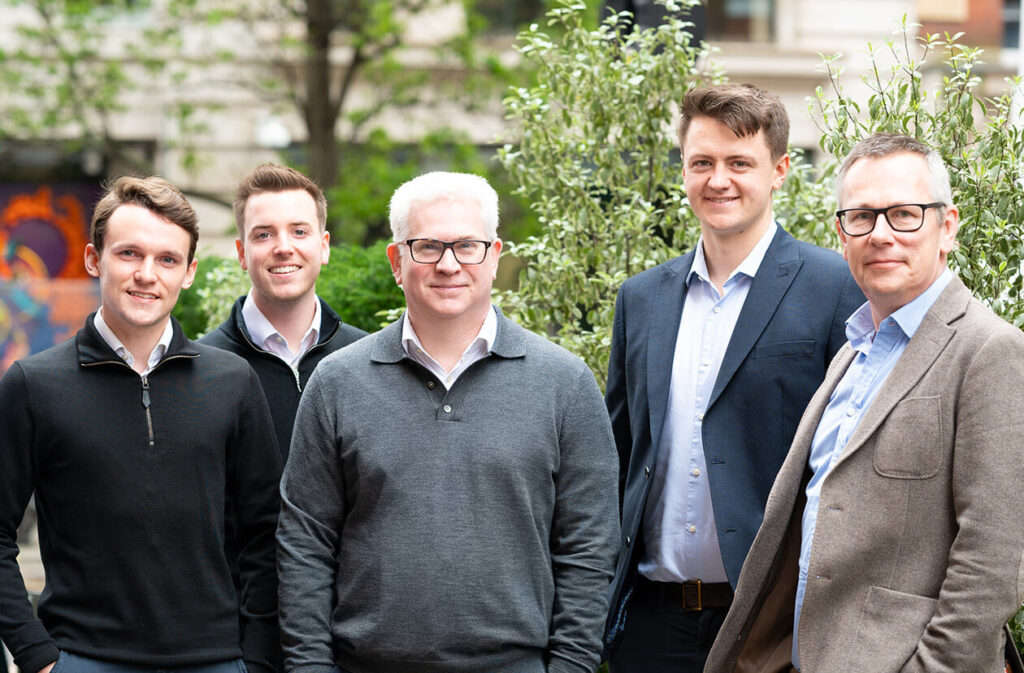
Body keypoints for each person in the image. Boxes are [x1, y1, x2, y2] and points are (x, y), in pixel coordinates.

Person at [704, 133, 1024, 673]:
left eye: (904, 214)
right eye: (861, 217)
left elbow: (995, 560)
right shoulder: (854, 352)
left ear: (947, 227)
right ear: (841, 234)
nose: (880, 234)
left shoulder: (990, 351)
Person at [277, 171, 619, 673]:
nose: (449, 264)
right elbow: (306, 542)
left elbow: (589, 548)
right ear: (397, 261)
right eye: (428, 246)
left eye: (467, 246)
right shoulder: (337, 382)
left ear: (495, 256)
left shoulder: (564, 383)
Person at [603, 83, 864, 672]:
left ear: (780, 171)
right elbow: (619, 456)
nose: (718, 180)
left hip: (771, 628)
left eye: (739, 163)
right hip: (650, 627)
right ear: (684, 169)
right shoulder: (640, 299)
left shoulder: (835, 288)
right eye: (702, 162)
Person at [0, 177, 282, 673]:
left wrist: (257, 658)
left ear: (189, 272)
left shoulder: (232, 381)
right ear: (94, 259)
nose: (146, 275)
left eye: (167, 259)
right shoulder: (32, 385)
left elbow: (266, 534)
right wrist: (37, 655)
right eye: (129, 253)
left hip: (216, 662)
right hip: (82, 659)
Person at [201, 163, 365, 459]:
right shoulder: (201, 369)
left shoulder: (366, 360)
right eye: (264, 235)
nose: (283, 247)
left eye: (299, 231)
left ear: (324, 246)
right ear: (242, 253)